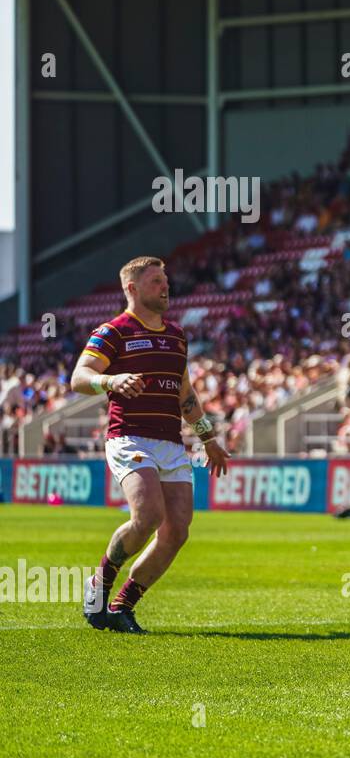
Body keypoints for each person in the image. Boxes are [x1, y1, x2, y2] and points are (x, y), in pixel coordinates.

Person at [74, 256, 231, 634]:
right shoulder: (114, 331)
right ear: (132, 288)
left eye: (166, 280)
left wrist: (208, 437)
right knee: (148, 517)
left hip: (171, 443)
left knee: (177, 530)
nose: (166, 286)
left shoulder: (176, 334)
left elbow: (185, 394)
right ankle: (99, 582)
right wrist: (110, 382)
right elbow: (80, 376)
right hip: (129, 437)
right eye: (156, 281)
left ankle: (124, 606)